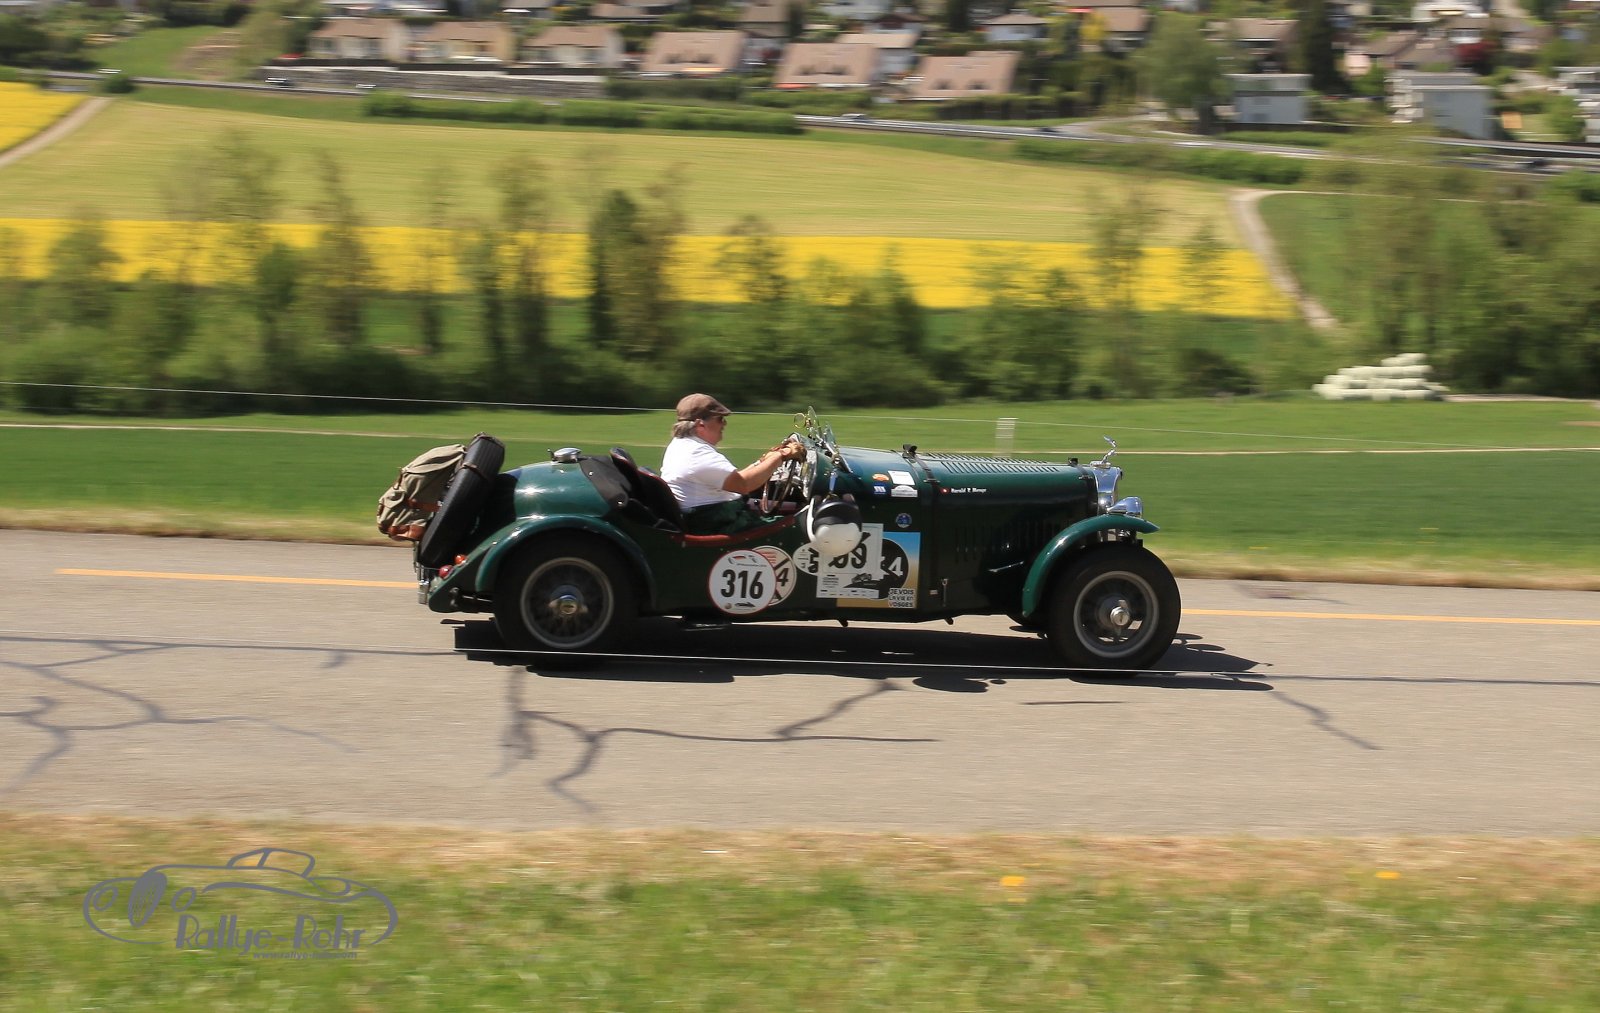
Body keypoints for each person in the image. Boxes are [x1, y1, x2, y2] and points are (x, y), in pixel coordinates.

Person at [661, 393, 804, 534]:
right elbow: (743, 485)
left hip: (714, 518)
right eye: (720, 419)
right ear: (700, 424)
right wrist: (782, 455)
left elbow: (734, 479)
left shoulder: (683, 446)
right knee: (800, 527)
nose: (724, 423)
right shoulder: (696, 453)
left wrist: (763, 461)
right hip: (718, 525)